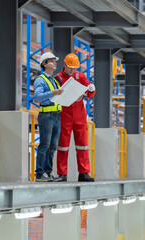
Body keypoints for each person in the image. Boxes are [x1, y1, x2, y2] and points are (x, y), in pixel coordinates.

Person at [55, 53, 96, 182]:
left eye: (74, 68)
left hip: (79, 114)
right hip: (65, 114)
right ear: (65, 65)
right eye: (70, 67)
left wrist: (90, 89)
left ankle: (84, 173)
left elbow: (91, 92)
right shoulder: (58, 78)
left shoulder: (80, 76)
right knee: (63, 146)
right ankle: (62, 174)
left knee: (83, 145)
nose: (72, 70)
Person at [33, 52, 63, 182]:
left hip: (56, 117)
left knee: (52, 147)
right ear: (44, 64)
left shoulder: (54, 81)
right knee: (44, 145)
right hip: (46, 116)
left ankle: (48, 172)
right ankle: (40, 174)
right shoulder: (40, 80)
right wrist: (52, 92)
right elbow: (38, 97)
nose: (55, 63)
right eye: (51, 61)